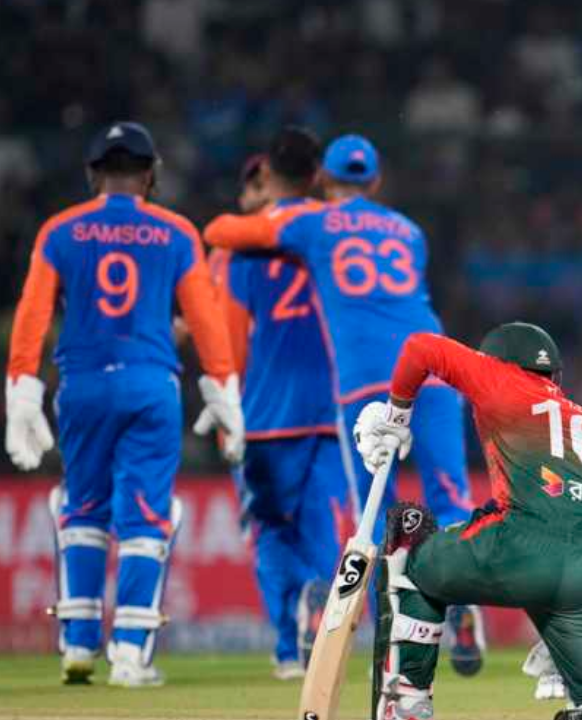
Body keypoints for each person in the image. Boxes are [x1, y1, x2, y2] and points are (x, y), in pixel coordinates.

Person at [201, 134, 484, 674]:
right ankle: (462, 606)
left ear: (324, 183)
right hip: (439, 368)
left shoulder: (312, 223)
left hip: (366, 386)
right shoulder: (409, 230)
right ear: (376, 182)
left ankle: (391, 640)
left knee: (373, 516)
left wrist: (279, 214)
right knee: (450, 498)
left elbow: (222, 231)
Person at [353, 322, 582, 720]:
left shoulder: (502, 376)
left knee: (408, 541)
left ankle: (406, 704)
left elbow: (420, 347)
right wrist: (554, 625)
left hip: (522, 543)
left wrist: (396, 415)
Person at [5, 121, 244, 687]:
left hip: (82, 386)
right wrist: (222, 386)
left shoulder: (60, 231)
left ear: (93, 175)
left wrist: (22, 387)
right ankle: (131, 655)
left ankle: (78, 645)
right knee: (147, 517)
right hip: (149, 386)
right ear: (151, 174)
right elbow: (206, 321)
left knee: (83, 509)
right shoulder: (177, 232)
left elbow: (33, 313)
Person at [209, 129, 350, 680]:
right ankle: (324, 643)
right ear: (317, 174)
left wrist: (228, 407)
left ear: (268, 177)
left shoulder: (240, 252)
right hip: (332, 410)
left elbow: (231, 336)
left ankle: (289, 649)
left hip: (265, 415)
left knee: (272, 531)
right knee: (323, 529)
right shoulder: (336, 234)